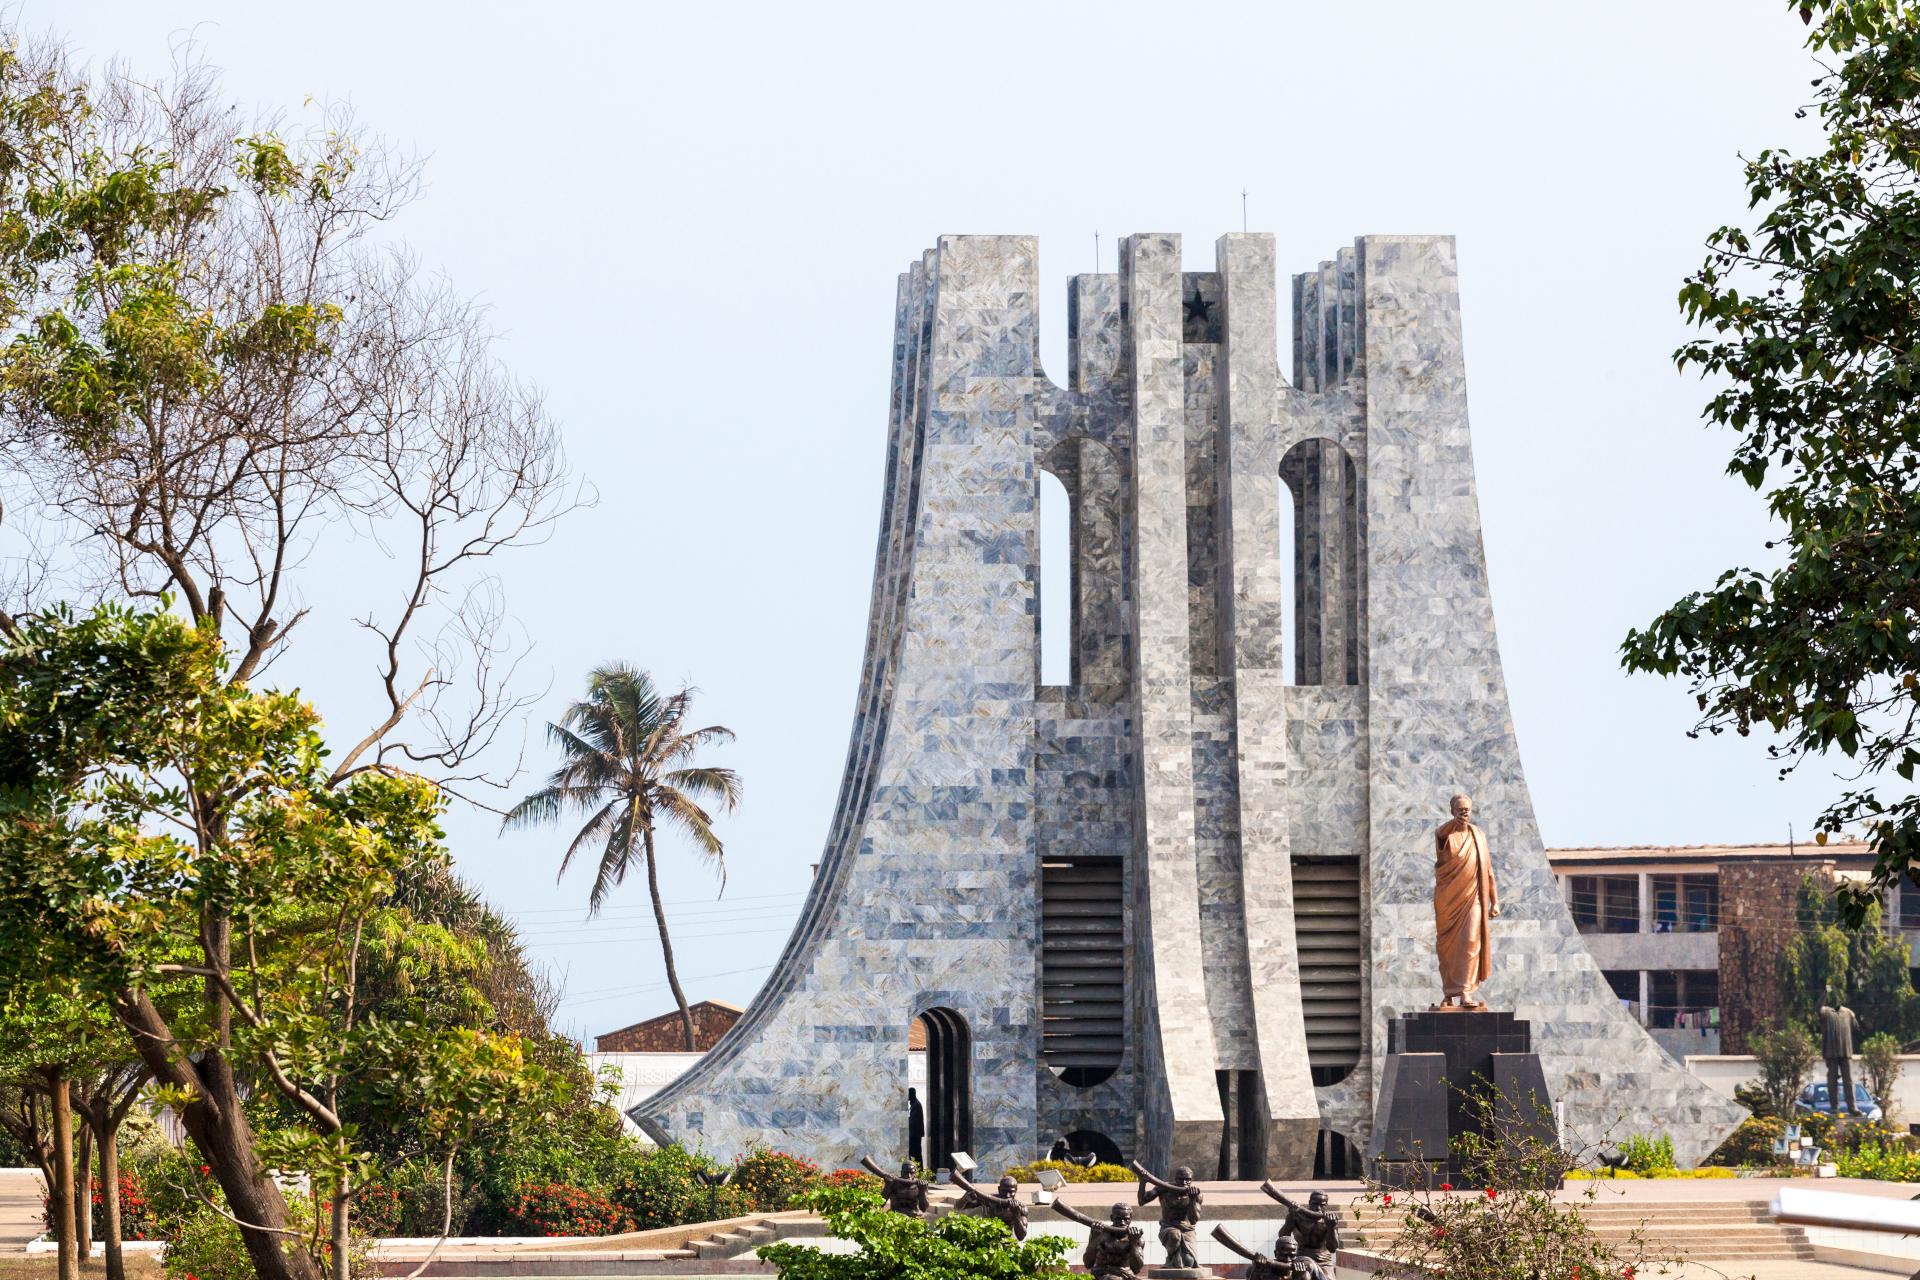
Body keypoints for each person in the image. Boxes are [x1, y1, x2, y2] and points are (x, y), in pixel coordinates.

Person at [1433, 793, 1499, 1009]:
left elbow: (1488, 871)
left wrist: (1494, 901)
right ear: (1453, 812)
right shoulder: (1447, 837)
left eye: (1467, 809)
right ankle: (1448, 993)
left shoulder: (1478, 836)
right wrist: (1453, 824)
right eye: (1460, 809)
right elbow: (1440, 835)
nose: (1464, 813)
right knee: (1448, 947)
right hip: (1449, 900)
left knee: (1471, 942)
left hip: (1474, 899)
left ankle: (1465, 991)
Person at [1133, 1163, 1203, 1268]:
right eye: (1180, 1179)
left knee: (1189, 1262)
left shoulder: (1195, 1194)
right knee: (1175, 1235)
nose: (1184, 1182)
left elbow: (1193, 1220)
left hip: (1187, 1229)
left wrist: (1192, 1200)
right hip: (1168, 1227)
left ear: (1191, 1180)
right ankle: (1171, 1260)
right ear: (1175, 1178)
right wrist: (1143, 1181)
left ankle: (1175, 1261)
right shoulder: (1164, 1189)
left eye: (1187, 1180)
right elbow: (1142, 1201)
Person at [1053, 1201, 1146, 1280]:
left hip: (1124, 1276)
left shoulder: (1136, 1238)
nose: (1122, 1223)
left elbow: (1137, 1268)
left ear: (1131, 1219)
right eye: (1118, 1219)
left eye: (1126, 1219)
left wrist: (1133, 1244)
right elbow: (1088, 1263)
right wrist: (1094, 1238)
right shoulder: (1101, 1234)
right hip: (1100, 1275)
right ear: (1112, 1218)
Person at [1259, 1183, 1340, 1273]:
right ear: (1309, 1203)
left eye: (1322, 1205)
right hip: (1299, 1257)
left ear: (1326, 1205)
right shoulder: (1298, 1216)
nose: (1317, 1208)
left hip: (1323, 1261)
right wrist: (1290, 1219)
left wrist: (1331, 1227)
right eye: (1314, 1204)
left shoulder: (1329, 1220)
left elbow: (1332, 1248)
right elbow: (1283, 1236)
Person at [951, 1172, 1029, 1241]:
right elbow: (957, 1207)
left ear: (1016, 1191)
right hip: (986, 1241)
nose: (1007, 1195)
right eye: (1004, 1191)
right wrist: (965, 1198)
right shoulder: (988, 1200)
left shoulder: (1021, 1208)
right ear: (999, 1189)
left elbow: (1021, 1237)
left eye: (1011, 1192)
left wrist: (1016, 1215)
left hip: (1007, 1243)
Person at [1819, 995, 1860, 1117]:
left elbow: (1855, 1028)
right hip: (1831, 1052)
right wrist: (1826, 992)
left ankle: (1852, 1108)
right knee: (1832, 1081)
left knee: (1849, 1080)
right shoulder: (1825, 1011)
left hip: (1846, 1051)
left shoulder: (1849, 1013)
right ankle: (1834, 1107)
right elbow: (1818, 1007)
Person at [858, 1156, 929, 1217]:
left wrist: (922, 1191)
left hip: (915, 1215)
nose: (909, 1176)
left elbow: (923, 1208)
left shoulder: (920, 1185)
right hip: (896, 1215)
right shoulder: (894, 1183)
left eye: (912, 1172)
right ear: (901, 1172)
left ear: (915, 1173)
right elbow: (880, 1204)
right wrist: (888, 1186)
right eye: (905, 1172)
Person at [906, 1086, 925, 1168]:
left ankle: (917, 1170)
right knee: (915, 1154)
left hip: (915, 1135)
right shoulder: (914, 1104)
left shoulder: (916, 1105)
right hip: (914, 1134)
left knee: (915, 1154)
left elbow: (912, 1121)